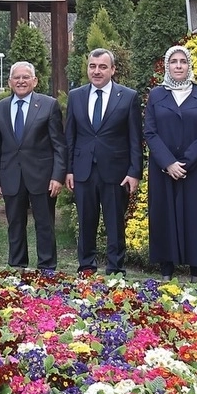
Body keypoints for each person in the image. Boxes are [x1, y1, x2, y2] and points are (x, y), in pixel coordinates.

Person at [64, 48, 142, 274]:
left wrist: (134, 172)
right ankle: (86, 267)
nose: (96, 71)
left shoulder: (128, 97)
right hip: (83, 170)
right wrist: (69, 170)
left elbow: (135, 138)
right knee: (85, 222)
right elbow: (70, 136)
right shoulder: (76, 96)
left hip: (116, 172)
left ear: (113, 69)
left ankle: (115, 269)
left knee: (115, 224)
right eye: (92, 66)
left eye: (102, 67)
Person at [143, 45, 197, 281]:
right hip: (163, 169)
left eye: (183, 61)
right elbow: (150, 131)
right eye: (174, 62)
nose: (179, 66)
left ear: (189, 65)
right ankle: (166, 268)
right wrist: (169, 163)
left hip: (195, 169)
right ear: (167, 66)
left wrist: (186, 162)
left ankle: (196, 270)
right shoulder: (156, 95)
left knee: (195, 215)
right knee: (164, 214)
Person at [0, 61, 65, 271]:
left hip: (42, 177)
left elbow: (59, 145)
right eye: (17, 78)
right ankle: (17, 266)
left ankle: (47, 269)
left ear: (35, 81)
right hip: (11, 176)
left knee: (45, 225)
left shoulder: (49, 105)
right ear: (9, 82)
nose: (21, 81)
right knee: (15, 225)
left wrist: (58, 176)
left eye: (25, 77)